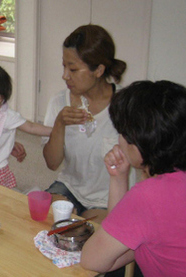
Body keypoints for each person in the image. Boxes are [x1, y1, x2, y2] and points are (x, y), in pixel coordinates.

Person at [80, 80, 186, 276]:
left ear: (139, 142)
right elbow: (125, 234)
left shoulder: (148, 196)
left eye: (123, 133)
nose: (120, 139)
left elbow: (91, 260)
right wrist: (118, 177)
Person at [42, 24, 134, 223]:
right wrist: (59, 124)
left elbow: (144, 164)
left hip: (108, 197)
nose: (65, 75)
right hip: (69, 188)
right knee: (43, 222)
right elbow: (52, 163)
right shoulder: (59, 101)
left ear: (99, 70)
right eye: (64, 66)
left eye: (73, 69)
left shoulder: (126, 105)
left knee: (87, 238)